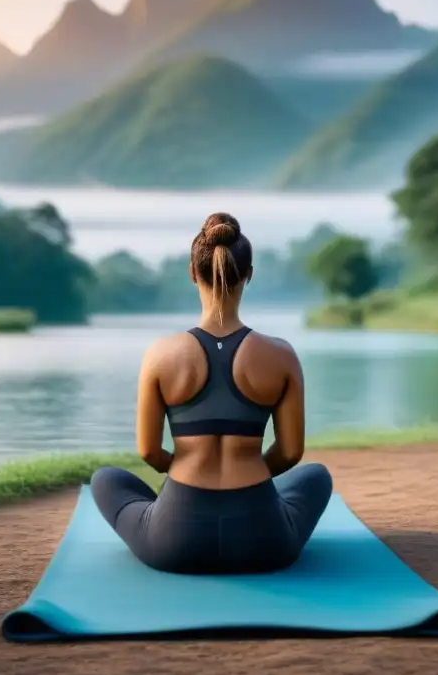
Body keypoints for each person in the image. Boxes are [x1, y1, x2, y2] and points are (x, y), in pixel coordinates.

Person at [90, 212, 333, 575]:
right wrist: (249, 475)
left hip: (174, 542)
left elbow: (148, 451)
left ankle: (174, 506)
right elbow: (291, 452)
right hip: (263, 542)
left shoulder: (161, 353)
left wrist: (187, 472)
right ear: (248, 274)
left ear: (192, 273)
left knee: (105, 479)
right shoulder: (281, 355)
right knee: (316, 477)